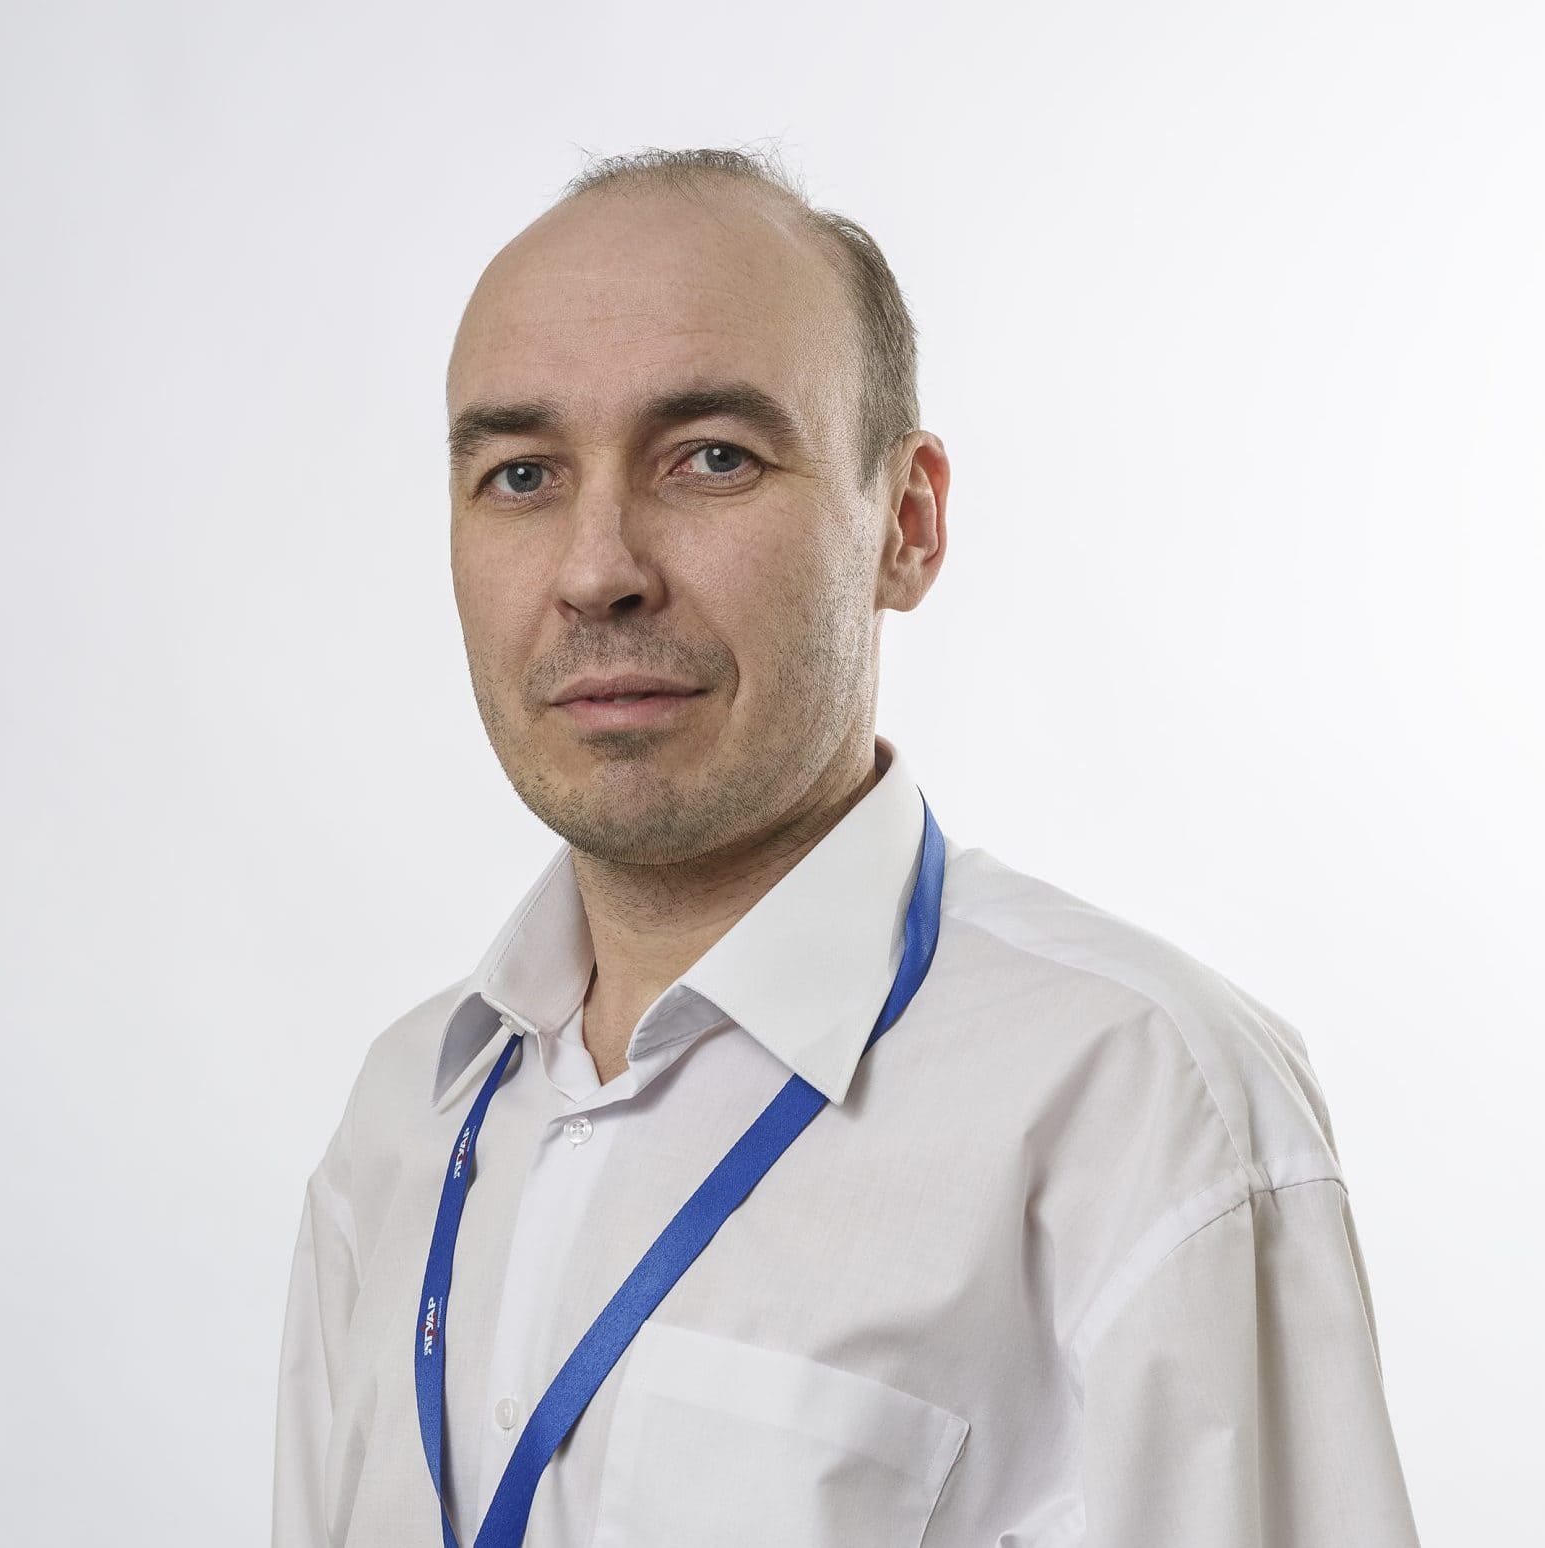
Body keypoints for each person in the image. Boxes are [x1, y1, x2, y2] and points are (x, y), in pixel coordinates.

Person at [270, 146, 1422, 1548]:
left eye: (712, 458)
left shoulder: (1141, 1102)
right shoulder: (405, 1118)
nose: (596, 569)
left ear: (907, 524)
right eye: (520, 475)